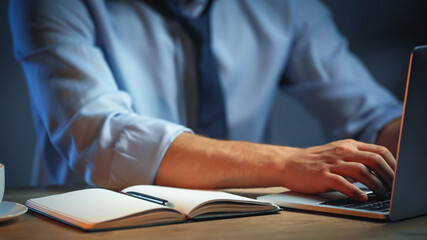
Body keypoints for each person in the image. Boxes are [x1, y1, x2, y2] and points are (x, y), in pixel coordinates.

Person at [9, 0, 402, 202]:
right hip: (96, 228)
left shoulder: (286, 5)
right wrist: (288, 163)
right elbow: (104, 137)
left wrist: (410, 137)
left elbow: (370, 113)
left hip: (244, 222)